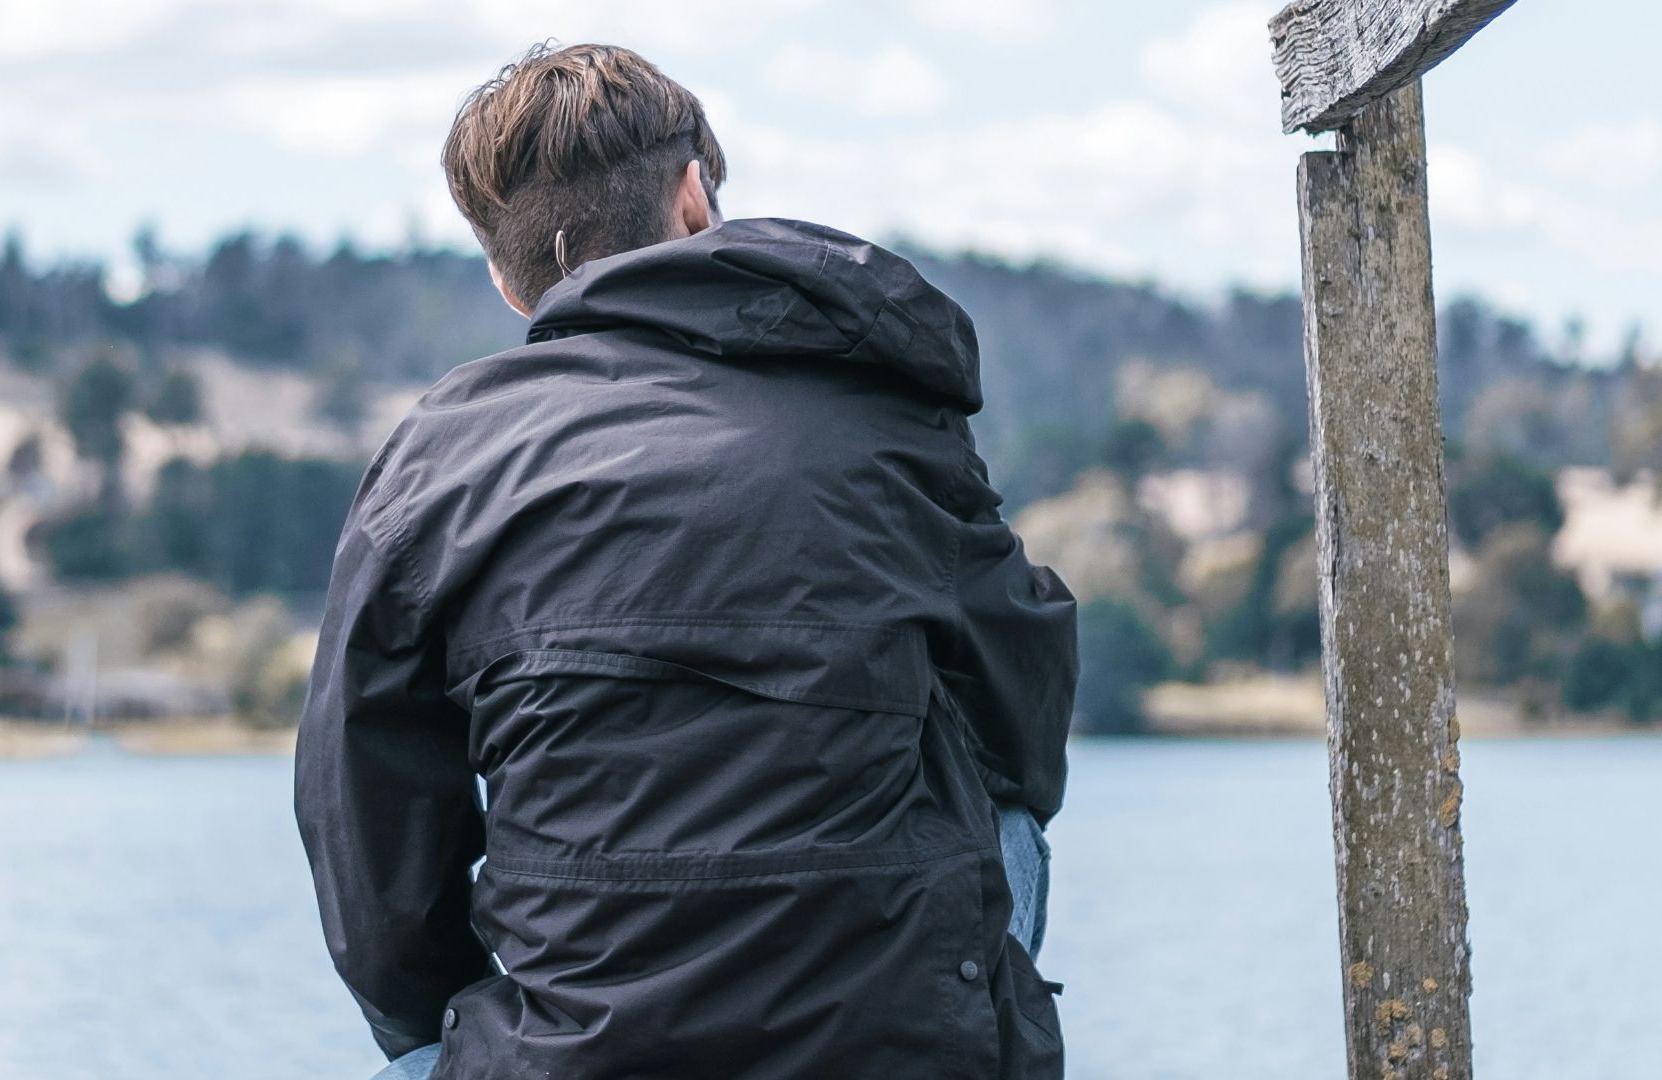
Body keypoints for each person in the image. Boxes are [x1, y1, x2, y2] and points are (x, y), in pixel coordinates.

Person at [295, 41, 1078, 1080]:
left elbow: (367, 834)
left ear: (504, 276)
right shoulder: (883, 414)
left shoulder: (437, 463)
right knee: (1008, 819)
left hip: (564, 1059)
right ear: (695, 197)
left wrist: (481, 1030)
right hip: (888, 1043)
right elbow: (1020, 724)